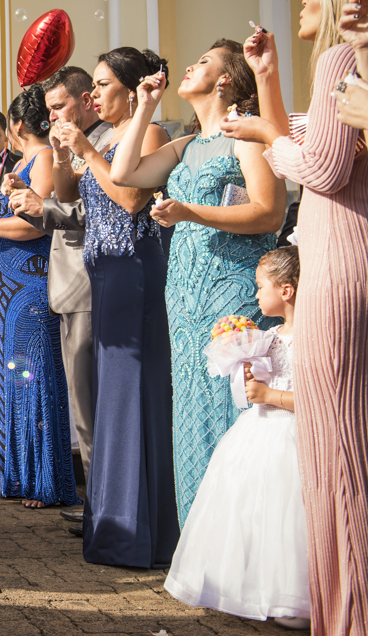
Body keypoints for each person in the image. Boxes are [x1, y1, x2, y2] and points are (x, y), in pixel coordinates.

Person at [220, 0, 368, 636]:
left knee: (335, 446)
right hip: (346, 253)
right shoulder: (345, 65)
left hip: (337, 261)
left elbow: (324, 168)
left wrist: (268, 142)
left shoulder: (340, 61)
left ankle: (347, 612)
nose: (303, 2)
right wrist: (267, 80)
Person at [109, 40, 285, 525]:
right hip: (184, 293)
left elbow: (269, 212)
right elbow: (124, 173)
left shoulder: (245, 136)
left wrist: (189, 212)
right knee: (189, 407)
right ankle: (201, 539)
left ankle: (242, 535)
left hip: (232, 289)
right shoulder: (186, 146)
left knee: (230, 403)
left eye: (204, 62)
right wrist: (145, 106)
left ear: (226, 80)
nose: (189, 66)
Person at [52, 47, 178, 567]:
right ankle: (113, 524)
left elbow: (130, 200)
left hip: (132, 267)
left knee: (132, 395)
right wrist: (63, 155)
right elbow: (69, 194)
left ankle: (140, 531)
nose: (93, 94)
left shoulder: (151, 134)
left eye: (103, 84)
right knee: (111, 398)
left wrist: (86, 148)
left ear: (131, 90)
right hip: (102, 273)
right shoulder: (104, 138)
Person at [164, 247, 309, 630]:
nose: (255, 294)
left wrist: (269, 394)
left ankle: (293, 597)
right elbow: (250, 394)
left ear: (286, 290)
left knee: (288, 516)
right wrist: (244, 371)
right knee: (250, 511)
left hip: (293, 435)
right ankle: (247, 587)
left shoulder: (312, 338)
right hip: (256, 433)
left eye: (261, 286)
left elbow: (318, 399)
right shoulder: (270, 337)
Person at [0, 86, 79, 509]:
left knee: (35, 375)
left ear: (17, 124)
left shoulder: (43, 157)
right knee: (16, 376)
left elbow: (36, 225)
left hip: (30, 286)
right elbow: (13, 217)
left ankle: (45, 479)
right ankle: (20, 474)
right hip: (9, 288)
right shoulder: (22, 162)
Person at [6, 66, 111, 509]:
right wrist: (33, 201)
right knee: (83, 405)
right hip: (71, 282)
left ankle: (101, 507)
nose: (50, 116)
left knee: (90, 403)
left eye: (57, 106)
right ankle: (99, 505)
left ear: (85, 100)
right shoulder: (69, 145)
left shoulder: (105, 142)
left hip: (89, 279)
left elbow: (104, 211)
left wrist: (42, 206)